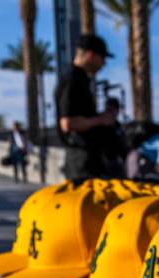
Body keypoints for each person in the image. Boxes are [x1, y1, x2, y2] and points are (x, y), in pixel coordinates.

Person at [54, 34, 117, 180]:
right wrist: (101, 120)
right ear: (90, 55)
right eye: (102, 59)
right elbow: (68, 123)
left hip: (84, 160)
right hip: (81, 162)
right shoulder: (74, 80)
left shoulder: (78, 79)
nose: (104, 64)